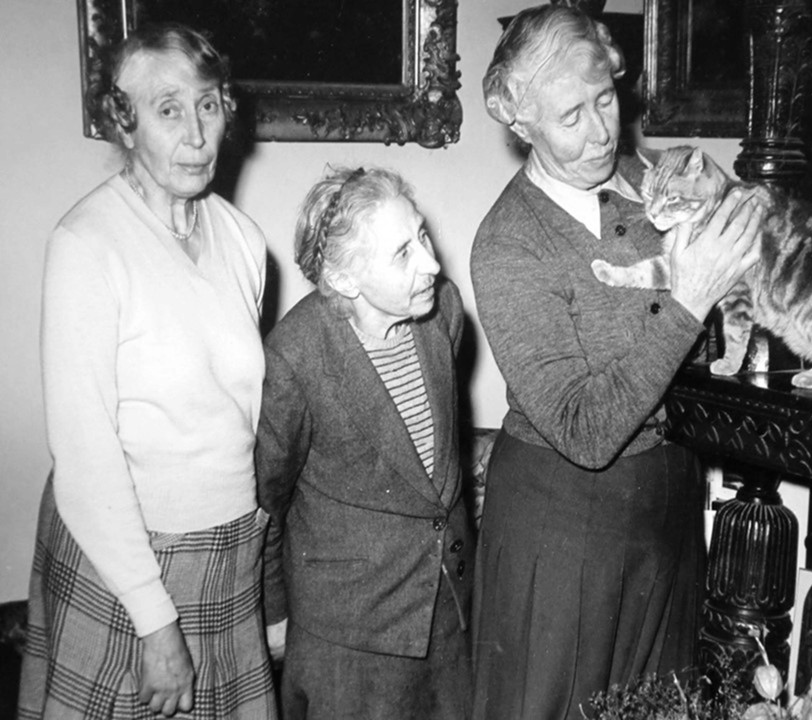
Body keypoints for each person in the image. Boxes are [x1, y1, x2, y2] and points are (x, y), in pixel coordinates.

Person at [470, 5, 765, 720]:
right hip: (565, 525)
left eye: (605, 98)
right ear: (521, 123)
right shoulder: (507, 244)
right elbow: (585, 430)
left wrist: (734, 235)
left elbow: (708, 348)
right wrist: (691, 297)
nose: (603, 131)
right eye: (571, 116)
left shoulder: (648, 183)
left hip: (668, 505)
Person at [18, 23, 277, 720]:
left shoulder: (244, 241)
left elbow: (239, 419)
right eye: (168, 110)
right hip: (125, 560)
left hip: (225, 550)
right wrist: (154, 619)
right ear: (124, 123)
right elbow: (83, 455)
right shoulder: (87, 245)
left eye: (208, 105)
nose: (196, 134)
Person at [255, 166, 474, 719]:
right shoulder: (295, 358)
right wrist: (275, 615)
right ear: (345, 279)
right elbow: (268, 500)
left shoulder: (443, 311)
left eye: (422, 235)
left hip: (447, 608)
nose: (432, 263)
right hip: (351, 635)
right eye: (403, 253)